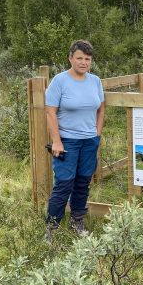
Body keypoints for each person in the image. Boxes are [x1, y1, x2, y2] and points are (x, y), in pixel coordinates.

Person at [44, 39, 105, 239]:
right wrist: (57, 141)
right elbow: (50, 112)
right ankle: (51, 227)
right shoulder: (60, 81)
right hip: (67, 141)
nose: (83, 62)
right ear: (71, 58)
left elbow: (101, 107)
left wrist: (97, 133)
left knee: (82, 182)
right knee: (64, 183)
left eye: (87, 59)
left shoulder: (95, 81)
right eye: (79, 58)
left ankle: (77, 221)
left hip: (89, 140)